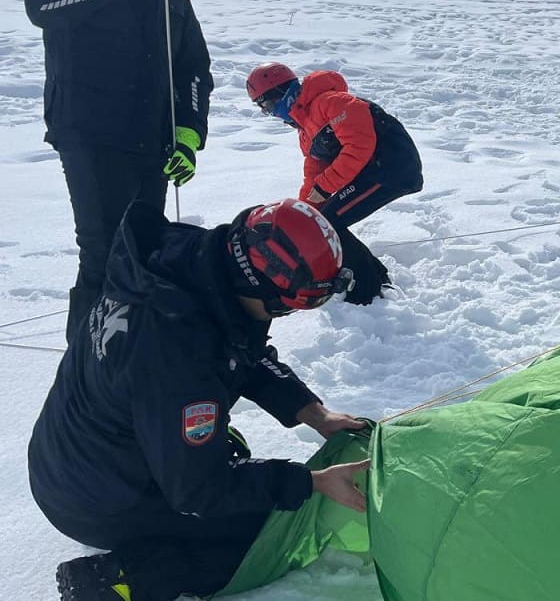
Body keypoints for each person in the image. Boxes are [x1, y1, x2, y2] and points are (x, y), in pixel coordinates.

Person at [29, 198, 371, 601]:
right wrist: (309, 483)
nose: (290, 315)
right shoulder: (178, 357)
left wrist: (315, 413)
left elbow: (240, 346)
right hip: (96, 499)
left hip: (72, 454)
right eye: (293, 304)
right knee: (266, 534)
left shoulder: (189, 263)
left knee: (219, 462)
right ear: (258, 283)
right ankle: (113, 582)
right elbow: (199, 490)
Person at [23, 0, 215, 340]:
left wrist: (188, 135)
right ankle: (86, 371)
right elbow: (43, 4)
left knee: (143, 250)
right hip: (90, 128)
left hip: (150, 138)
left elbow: (193, 66)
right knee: (105, 249)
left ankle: (131, 358)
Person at [246, 63, 424, 229]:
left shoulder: (332, 102)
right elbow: (313, 174)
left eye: (269, 106)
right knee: (318, 224)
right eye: (265, 111)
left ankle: (343, 263)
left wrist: (324, 187)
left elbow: (359, 145)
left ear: (282, 92)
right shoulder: (306, 130)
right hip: (371, 171)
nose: (273, 114)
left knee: (326, 225)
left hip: (391, 168)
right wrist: (302, 214)